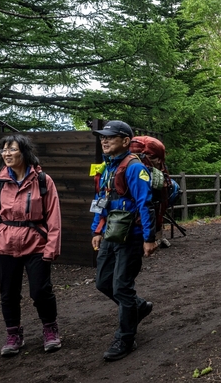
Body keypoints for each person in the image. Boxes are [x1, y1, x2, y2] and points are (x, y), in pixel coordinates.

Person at [0, 134, 63, 356]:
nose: (7, 154)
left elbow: (53, 217)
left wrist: (51, 248)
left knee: (41, 291)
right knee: (8, 293)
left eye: (12, 149)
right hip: (6, 244)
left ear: (24, 152)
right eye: (4, 150)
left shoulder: (43, 181)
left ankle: (50, 328)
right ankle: (13, 334)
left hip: (36, 244)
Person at [90, 120, 157, 361]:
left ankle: (126, 338)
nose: (104, 141)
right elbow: (101, 201)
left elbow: (145, 204)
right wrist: (96, 231)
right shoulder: (107, 167)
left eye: (110, 137)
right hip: (110, 233)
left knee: (121, 286)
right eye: (102, 137)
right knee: (103, 282)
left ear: (126, 141)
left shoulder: (134, 168)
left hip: (132, 235)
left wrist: (149, 238)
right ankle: (138, 307)